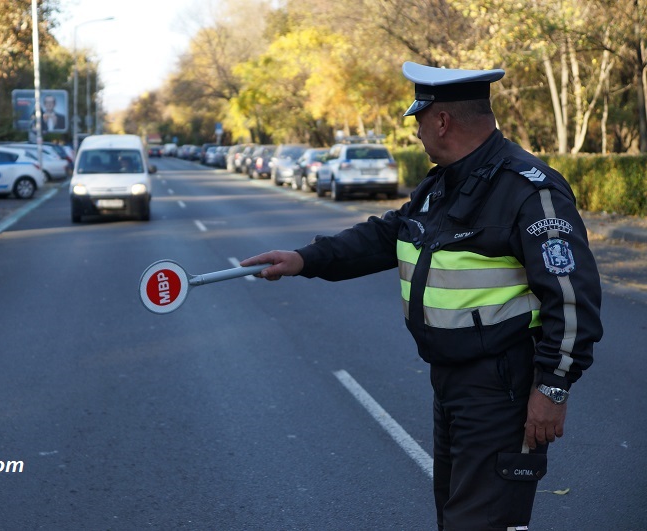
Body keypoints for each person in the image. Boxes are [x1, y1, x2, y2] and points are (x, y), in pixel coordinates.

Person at [240, 61, 603, 531]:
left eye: (418, 121)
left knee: (480, 522)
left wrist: (553, 388)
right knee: (455, 516)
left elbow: (572, 298)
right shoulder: (443, 183)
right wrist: (305, 259)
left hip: (501, 388)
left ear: (442, 121)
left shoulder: (528, 189)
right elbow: (388, 234)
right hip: (451, 383)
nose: (416, 135)